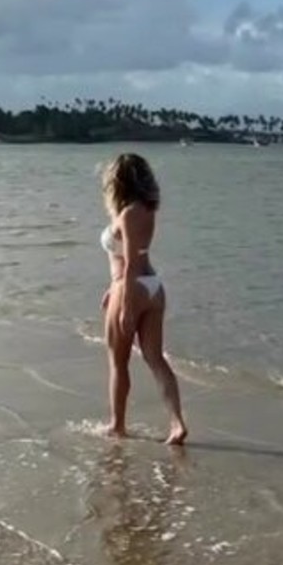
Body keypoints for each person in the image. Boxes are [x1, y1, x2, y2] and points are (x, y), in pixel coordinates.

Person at [99, 152, 187, 445]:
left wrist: (125, 304)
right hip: (152, 286)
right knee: (155, 358)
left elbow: (131, 264)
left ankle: (117, 425)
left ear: (118, 180)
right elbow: (132, 256)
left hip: (131, 286)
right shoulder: (146, 210)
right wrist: (113, 289)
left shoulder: (128, 214)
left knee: (118, 362)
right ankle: (177, 423)